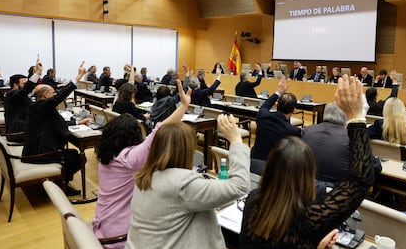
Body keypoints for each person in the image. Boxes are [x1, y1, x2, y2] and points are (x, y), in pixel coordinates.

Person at [240, 75, 375, 248]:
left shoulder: (253, 200)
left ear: (269, 168)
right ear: (308, 175)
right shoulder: (311, 219)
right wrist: (356, 117)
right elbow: (360, 182)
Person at [125, 114, 250, 249]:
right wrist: (236, 140)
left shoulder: (144, 177)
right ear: (186, 150)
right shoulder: (182, 185)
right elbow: (240, 185)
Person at [92, 79, 190, 249]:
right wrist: (183, 107)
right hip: (120, 236)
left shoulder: (106, 157)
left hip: (102, 223)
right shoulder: (130, 159)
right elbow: (160, 128)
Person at [22, 62, 88, 196]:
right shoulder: (42, 106)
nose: (55, 94)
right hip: (38, 153)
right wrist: (78, 76)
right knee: (78, 158)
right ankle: (62, 184)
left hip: (35, 148)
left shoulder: (38, 107)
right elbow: (59, 98)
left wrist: (78, 121)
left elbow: (56, 123)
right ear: (46, 95)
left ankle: (61, 180)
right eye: (53, 93)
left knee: (74, 154)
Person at [302, 102, 381, 186]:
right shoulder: (353, 139)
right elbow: (375, 167)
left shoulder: (306, 131)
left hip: (305, 189)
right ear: (346, 118)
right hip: (336, 194)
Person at [251, 77, 301, 160]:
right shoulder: (293, 131)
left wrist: (278, 92)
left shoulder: (263, 116)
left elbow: (265, 105)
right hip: (274, 168)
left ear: (277, 105)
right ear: (293, 110)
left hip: (255, 161)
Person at [4, 59, 42, 141]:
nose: (25, 86)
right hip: (17, 134)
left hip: (22, 129)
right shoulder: (11, 95)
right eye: (23, 84)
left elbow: (27, 91)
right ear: (15, 85)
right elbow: (25, 90)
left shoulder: (19, 96)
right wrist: (38, 73)